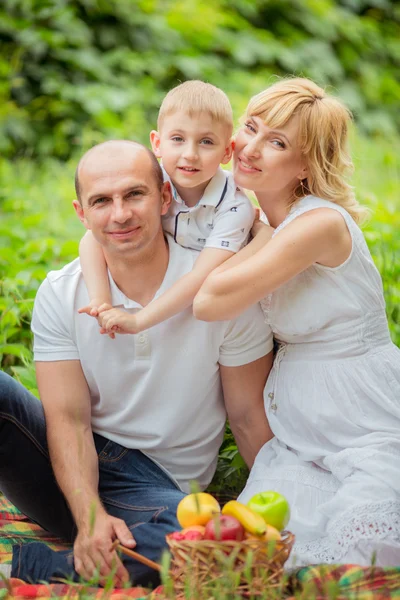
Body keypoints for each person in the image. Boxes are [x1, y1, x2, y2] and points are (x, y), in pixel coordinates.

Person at [0, 140, 274, 586]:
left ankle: (37, 567)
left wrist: (280, 504)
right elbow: (68, 420)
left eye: (134, 195)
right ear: (81, 212)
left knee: (212, 543)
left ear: (164, 196)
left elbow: (247, 418)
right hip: (70, 467)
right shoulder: (63, 291)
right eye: (102, 201)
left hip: (160, 489)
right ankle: (94, 541)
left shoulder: (219, 291)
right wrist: (89, 519)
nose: (120, 214)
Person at [194, 77, 400, 567]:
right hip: (301, 431)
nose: (252, 148)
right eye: (251, 128)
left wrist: (260, 234)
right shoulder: (255, 219)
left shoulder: (317, 224)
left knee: (359, 543)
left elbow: (208, 301)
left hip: (364, 417)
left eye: (278, 142)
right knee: (261, 549)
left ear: (307, 165)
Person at [78, 80, 256, 336]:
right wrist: (100, 299)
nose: (190, 154)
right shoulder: (148, 184)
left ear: (227, 151)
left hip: (216, 309)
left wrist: (139, 321)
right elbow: (92, 239)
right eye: (178, 139)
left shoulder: (234, 207)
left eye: (206, 141)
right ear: (158, 143)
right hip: (164, 288)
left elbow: (200, 278)